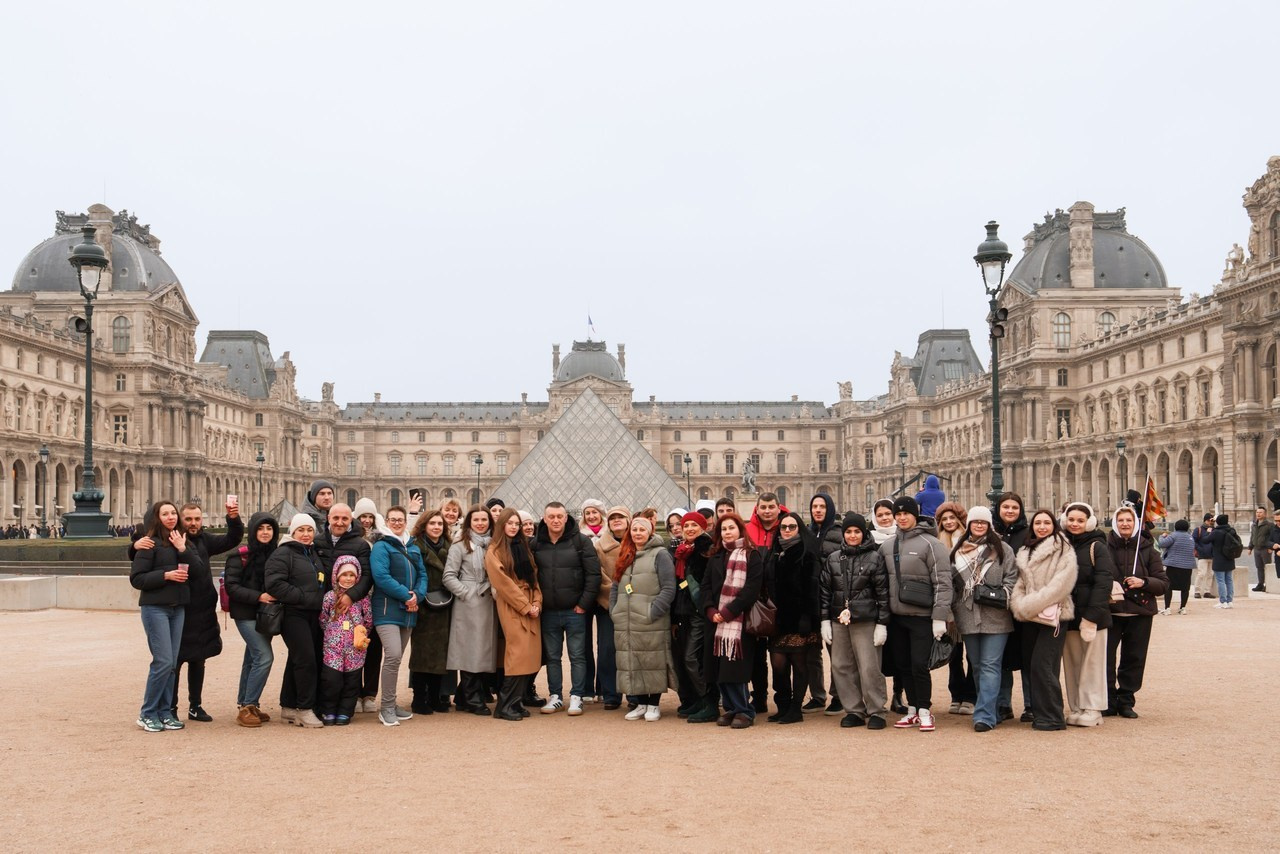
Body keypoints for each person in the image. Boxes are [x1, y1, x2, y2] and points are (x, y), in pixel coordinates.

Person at [131, 500, 244, 724]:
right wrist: (134, 546)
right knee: (172, 661)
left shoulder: (199, 542)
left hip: (197, 609)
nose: (193, 523)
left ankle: (194, 705)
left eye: (197, 519)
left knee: (197, 660)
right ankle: (167, 708)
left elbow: (232, 539)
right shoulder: (165, 541)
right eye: (188, 519)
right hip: (177, 606)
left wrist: (232, 518)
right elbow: (142, 561)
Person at [881, 496, 951, 733]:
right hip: (897, 616)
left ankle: (924, 710)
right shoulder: (887, 546)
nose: (901, 517)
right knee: (903, 665)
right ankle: (912, 709)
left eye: (906, 513)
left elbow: (943, 582)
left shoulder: (932, 544)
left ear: (915, 515)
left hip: (922, 616)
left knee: (919, 665)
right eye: (898, 514)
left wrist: (939, 616)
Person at [948, 506, 1017, 732]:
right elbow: (952, 584)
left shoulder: (1003, 549)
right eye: (975, 522)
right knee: (977, 666)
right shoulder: (958, 550)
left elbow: (1011, 579)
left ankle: (984, 715)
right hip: (967, 615)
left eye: (983, 522)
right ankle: (991, 709)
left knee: (990, 665)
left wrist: (1000, 594)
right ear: (968, 525)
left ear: (989, 525)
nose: (979, 525)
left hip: (996, 616)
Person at [820, 512, 889, 730]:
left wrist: (882, 624)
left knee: (869, 667)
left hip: (866, 619)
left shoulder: (875, 557)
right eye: (848, 531)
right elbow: (825, 592)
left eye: (856, 531)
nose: (852, 535)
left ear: (864, 533)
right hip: (839, 619)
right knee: (841, 665)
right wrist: (824, 620)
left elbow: (883, 593)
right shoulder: (834, 558)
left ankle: (876, 710)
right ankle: (854, 709)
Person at [531, 502, 601, 717]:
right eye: (551, 516)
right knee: (552, 657)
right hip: (549, 611)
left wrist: (583, 604)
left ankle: (577, 696)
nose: (555, 520)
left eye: (559, 516)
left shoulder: (581, 541)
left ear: (566, 517)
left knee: (577, 655)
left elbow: (593, 575)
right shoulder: (535, 544)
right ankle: (556, 696)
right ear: (544, 518)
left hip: (574, 610)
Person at [1010, 510, 1078, 732]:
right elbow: (1019, 583)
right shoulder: (1025, 550)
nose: (1042, 526)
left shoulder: (1064, 549)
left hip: (1055, 614)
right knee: (1031, 665)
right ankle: (1040, 713)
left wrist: (1029, 605)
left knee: (1044, 665)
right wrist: (1019, 604)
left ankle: (1053, 716)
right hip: (1030, 616)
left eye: (1046, 523)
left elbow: (1062, 585)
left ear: (1054, 525)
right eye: (1037, 523)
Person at [129, 501, 192, 732]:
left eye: (173, 513)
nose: (170, 517)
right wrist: (166, 575)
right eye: (165, 514)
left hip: (178, 608)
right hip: (155, 608)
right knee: (163, 661)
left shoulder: (181, 543)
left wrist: (184, 549)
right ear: (157, 518)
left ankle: (165, 712)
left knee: (172, 664)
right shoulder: (147, 545)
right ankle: (147, 713)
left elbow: (196, 569)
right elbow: (137, 579)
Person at [265, 514, 329, 728]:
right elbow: (274, 584)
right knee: (306, 660)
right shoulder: (282, 554)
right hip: (293, 613)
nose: (305, 534)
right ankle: (305, 709)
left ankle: (288, 706)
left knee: (297, 659)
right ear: (292, 532)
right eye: (301, 530)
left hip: (312, 613)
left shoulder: (312, 553)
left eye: (309, 530)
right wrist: (305, 598)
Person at [612, 516, 678, 721]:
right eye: (634, 530)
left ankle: (654, 704)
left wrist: (653, 611)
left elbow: (669, 587)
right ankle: (641, 703)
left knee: (653, 660)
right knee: (632, 659)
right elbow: (615, 585)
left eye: (642, 529)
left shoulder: (660, 554)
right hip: (625, 618)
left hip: (650, 618)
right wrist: (614, 610)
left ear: (650, 532)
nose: (637, 533)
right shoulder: (625, 553)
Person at [1105, 504, 1168, 718]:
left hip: (1139, 612)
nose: (1125, 524)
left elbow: (1163, 583)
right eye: (1121, 520)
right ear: (1115, 523)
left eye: (1129, 521)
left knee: (1134, 658)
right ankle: (1108, 700)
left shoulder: (1149, 550)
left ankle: (1126, 701)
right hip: (1111, 611)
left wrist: (1144, 582)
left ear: (1136, 524)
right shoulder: (1104, 547)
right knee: (1106, 659)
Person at [702, 512, 764, 729]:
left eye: (731, 528)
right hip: (716, 622)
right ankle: (731, 708)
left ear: (740, 529)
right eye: (723, 529)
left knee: (735, 670)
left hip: (739, 621)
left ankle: (744, 710)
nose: (727, 532)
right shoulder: (716, 555)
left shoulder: (751, 555)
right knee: (719, 669)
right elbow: (706, 587)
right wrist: (711, 610)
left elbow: (751, 590)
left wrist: (728, 611)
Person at [370, 505, 428, 726]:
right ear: (386, 521)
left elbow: (422, 574)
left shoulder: (412, 546)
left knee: (396, 659)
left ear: (405, 521)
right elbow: (381, 576)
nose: (396, 523)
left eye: (400, 519)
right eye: (392, 519)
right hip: (387, 610)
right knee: (393, 656)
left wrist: (418, 596)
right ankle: (386, 707)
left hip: (409, 610)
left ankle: (392, 704)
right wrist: (407, 596)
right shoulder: (381, 546)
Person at [318, 504, 378, 714]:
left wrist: (351, 596)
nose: (340, 522)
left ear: (351, 520)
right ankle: (326, 706)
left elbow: (367, 576)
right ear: (328, 518)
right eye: (336, 518)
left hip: (352, 609)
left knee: (351, 672)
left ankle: (346, 708)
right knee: (327, 669)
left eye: (345, 518)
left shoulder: (359, 544)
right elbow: (323, 620)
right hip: (325, 607)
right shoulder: (317, 541)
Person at [1060, 502, 1115, 727]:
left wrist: (1091, 617)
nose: (1075, 524)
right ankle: (1076, 706)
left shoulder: (1098, 547)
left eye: (1080, 520)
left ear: (1089, 523)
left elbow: (1104, 583)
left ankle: (1093, 708)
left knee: (1093, 664)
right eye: (1071, 520)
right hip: (1068, 615)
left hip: (1093, 616)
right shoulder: (1061, 545)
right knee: (1072, 664)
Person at [486, 508, 544, 721]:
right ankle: (504, 705)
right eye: (509, 523)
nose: (514, 527)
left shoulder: (524, 548)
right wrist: (525, 606)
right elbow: (503, 583)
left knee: (528, 655)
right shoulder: (494, 550)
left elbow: (534, 578)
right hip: (512, 605)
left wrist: (537, 601)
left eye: (516, 524)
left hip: (529, 602)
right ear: (501, 525)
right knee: (516, 655)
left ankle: (515, 702)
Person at [223, 511, 279, 727]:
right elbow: (232, 586)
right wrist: (259, 596)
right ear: (253, 531)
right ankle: (249, 704)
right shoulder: (239, 556)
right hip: (246, 613)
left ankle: (246, 705)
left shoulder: (277, 553)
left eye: (269, 528)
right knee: (264, 657)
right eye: (261, 528)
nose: (265, 532)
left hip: (267, 614)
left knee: (252, 659)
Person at [766, 511, 822, 724]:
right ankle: (784, 706)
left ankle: (795, 709)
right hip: (779, 618)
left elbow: (812, 589)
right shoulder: (775, 552)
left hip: (800, 618)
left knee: (799, 665)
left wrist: (807, 617)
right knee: (778, 665)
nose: (787, 530)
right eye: (783, 527)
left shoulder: (807, 553)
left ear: (800, 529)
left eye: (792, 527)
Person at [442, 505, 498, 714]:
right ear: (469, 523)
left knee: (484, 649)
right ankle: (473, 698)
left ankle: (465, 694)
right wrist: (466, 593)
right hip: (469, 603)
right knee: (470, 649)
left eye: (484, 520)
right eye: (476, 520)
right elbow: (448, 576)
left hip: (489, 600)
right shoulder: (459, 545)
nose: (481, 523)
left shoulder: (494, 544)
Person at [671, 511, 717, 723]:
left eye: (693, 525)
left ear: (702, 527)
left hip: (700, 612)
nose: (689, 528)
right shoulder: (685, 551)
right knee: (691, 657)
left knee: (692, 657)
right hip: (688, 612)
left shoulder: (705, 550)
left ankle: (709, 702)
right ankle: (701, 699)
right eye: (686, 525)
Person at [317, 556, 373, 725]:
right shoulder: (329, 597)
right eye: (344, 575)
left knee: (352, 681)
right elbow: (323, 618)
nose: (348, 579)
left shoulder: (362, 598)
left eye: (352, 575)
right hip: (333, 647)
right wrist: (330, 634)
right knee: (331, 680)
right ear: (336, 576)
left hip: (355, 648)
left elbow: (368, 620)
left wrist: (361, 635)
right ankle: (328, 710)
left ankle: (345, 712)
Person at [408, 510, 454, 714]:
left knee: (440, 655)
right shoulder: (415, 546)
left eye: (440, 524)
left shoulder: (450, 547)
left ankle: (435, 697)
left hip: (444, 604)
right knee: (422, 655)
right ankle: (419, 699)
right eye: (432, 523)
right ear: (424, 526)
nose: (437, 527)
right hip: (424, 604)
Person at [744, 492, 785, 713]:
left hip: (779, 601)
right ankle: (759, 698)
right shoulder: (748, 531)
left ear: (778, 508)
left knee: (779, 656)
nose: (767, 511)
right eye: (763, 507)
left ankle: (781, 700)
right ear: (756, 509)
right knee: (757, 657)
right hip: (755, 602)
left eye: (771, 507)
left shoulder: (787, 528)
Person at [992, 492, 1030, 723]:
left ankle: (1031, 705)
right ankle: (1003, 704)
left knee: (1028, 656)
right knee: (1002, 657)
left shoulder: (1028, 534)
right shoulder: (990, 533)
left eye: (1014, 507)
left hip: (1023, 601)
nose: (1010, 511)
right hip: (998, 603)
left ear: (1021, 510)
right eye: (1005, 506)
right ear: (998, 509)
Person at [934, 501, 975, 716]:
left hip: (970, 605)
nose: (949, 523)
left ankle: (970, 696)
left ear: (960, 520)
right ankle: (956, 695)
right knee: (953, 654)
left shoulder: (971, 542)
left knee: (973, 656)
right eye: (944, 520)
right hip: (949, 606)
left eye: (952, 518)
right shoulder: (937, 544)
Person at [590, 506, 631, 710]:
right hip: (608, 605)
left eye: (621, 517)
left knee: (632, 649)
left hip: (634, 605)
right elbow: (598, 575)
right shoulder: (599, 546)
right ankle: (610, 693)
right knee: (607, 650)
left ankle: (634, 693)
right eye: (613, 517)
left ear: (628, 520)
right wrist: (615, 596)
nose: (616, 520)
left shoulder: (638, 541)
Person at [805, 493, 841, 714]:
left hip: (832, 599)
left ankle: (838, 696)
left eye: (822, 506)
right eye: (814, 506)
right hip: (810, 600)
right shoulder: (806, 533)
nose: (817, 510)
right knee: (811, 652)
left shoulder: (838, 533)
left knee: (836, 653)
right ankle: (817, 695)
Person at [1157, 520, 1197, 615]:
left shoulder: (1174, 535)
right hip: (1187, 566)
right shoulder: (1190, 537)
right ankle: (1182, 608)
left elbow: (1162, 544)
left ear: (1176, 526)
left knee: (1169, 587)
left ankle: (1167, 608)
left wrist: (1161, 536)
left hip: (1173, 565)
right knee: (1185, 588)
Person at [1210, 514, 1238, 609]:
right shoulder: (1232, 530)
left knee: (1221, 581)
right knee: (1229, 580)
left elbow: (1206, 540)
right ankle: (1230, 601)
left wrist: (1211, 529)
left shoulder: (1216, 532)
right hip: (1229, 558)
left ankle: (1223, 601)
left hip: (1219, 559)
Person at [1192, 513, 1218, 599]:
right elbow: (1194, 541)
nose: (1210, 522)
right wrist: (1200, 549)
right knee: (1201, 574)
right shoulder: (1198, 529)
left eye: (1212, 520)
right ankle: (1197, 591)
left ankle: (1207, 591)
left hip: (1212, 555)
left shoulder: (1214, 530)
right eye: (1209, 520)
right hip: (1202, 555)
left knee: (1210, 574)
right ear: (1205, 520)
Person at [1248, 506, 1274, 592]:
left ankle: (1268, 584)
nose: (1258, 514)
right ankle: (1260, 584)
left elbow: (1273, 537)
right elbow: (1252, 536)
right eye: (1257, 512)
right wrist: (1250, 547)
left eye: (1260, 512)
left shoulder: (1270, 525)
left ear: (1265, 514)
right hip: (1257, 549)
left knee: (1266, 567)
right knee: (1259, 567)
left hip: (1266, 549)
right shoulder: (1254, 524)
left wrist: (1271, 547)